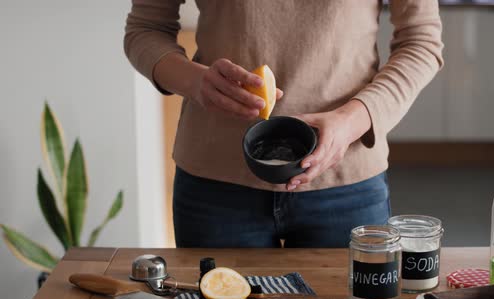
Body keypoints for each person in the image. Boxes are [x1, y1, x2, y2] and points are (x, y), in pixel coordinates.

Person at [124, 0, 443, 248]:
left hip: (346, 181)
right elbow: (145, 30)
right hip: (216, 186)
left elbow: (421, 41)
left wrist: (350, 122)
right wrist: (196, 82)